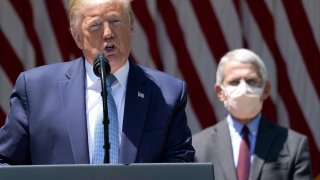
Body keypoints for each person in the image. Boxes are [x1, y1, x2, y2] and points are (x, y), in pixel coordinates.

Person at [0, 0, 194, 165]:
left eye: (116, 21)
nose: (108, 33)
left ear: (132, 27)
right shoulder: (36, 90)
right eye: (95, 25)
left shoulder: (168, 93)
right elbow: (5, 161)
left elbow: (181, 167)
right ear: (77, 37)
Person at [193, 49, 312, 179]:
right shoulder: (198, 146)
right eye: (234, 82)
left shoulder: (293, 144)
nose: (243, 88)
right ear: (220, 92)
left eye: (251, 81)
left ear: (266, 90)